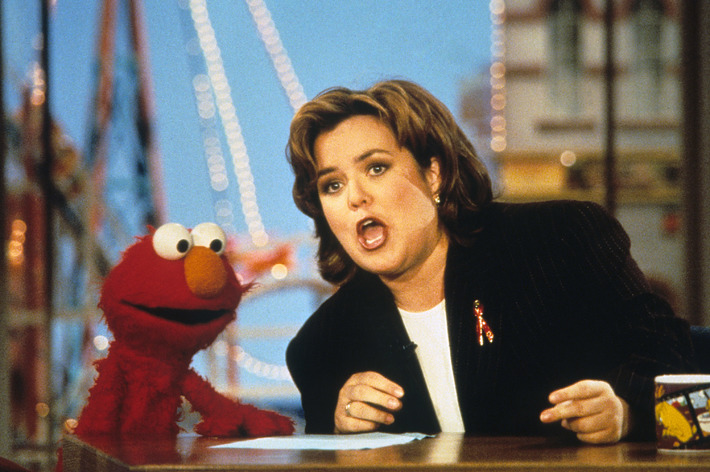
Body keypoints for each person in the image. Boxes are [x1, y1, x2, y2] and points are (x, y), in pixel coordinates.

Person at [284, 79, 695, 443]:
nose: (355, 197)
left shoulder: (560, 241)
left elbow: (669, 348)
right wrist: (340, 430)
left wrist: (626, 411)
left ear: (433, 173)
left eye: (376, 168)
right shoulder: (321, 347)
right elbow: (322, 452)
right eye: (332, 185)